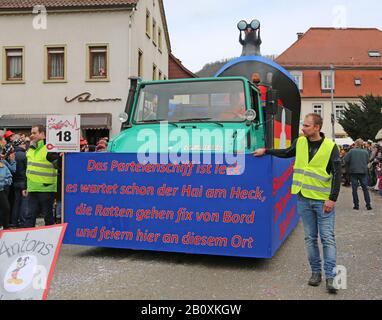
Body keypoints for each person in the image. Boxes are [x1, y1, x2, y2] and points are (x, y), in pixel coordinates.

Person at [253, 113, 341, 294]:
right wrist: (266, 151)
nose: (303, 128)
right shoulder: (299, 142)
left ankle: (331, 277)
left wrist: (332, 198)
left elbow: (338, 175)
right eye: (304, 125)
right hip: (302, 198)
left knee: (327, 239)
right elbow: (285, 153)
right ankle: (316, 273)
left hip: (323, 201)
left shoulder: (331, 147)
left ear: (317, 127)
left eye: (307, 126)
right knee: (310, 238)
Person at [21, 125, 58, 227]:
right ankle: (27, 239)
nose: (32, 135)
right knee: (29, 216)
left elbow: (59, 166)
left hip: (46, 188)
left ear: (42, 134)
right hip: (32, 188)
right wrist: (25, 186)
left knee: (48, 217)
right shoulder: (30, 149)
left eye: (34, 133)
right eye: (31, 133)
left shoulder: (50, 148)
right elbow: (29, 169)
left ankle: (50, 240)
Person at [344, 139, 372, 210]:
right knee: (365, 189)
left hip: (354, 172)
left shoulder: (352, 151)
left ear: (356, 144)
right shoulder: (365, 152)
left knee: (354, 189)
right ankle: (368, 204)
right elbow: (367, 161)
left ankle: (356, 205)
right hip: (363, 172)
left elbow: (346, 160)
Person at [0, 145, 13, 230]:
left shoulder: (3, 166)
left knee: (6, 208)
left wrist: (4, 183)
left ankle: (6, 227)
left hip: (1, 190)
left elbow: (9, 176)